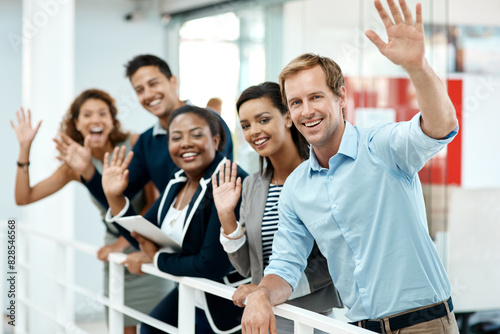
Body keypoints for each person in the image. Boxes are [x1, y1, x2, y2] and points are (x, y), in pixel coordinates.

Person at [241, 1, 460, 333]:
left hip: (424, 323)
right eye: (296, 102)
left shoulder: (382, 147)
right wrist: (260, 295)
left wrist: (417, 67)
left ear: (341, 95)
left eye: (316, 97)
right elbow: (285, 269)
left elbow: (440, 127)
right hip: (357, 327)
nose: (307, 111)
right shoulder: (297, 187)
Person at [10, 89, 171, 334]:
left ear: (112, 120)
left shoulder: (136, 144)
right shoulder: (74, 166)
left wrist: (120, 244)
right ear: (77, 123)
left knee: (160, 325)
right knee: (121, 325)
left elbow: (153, 203)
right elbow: (24, 197)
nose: (95, 119)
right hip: (117, 256)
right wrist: (24, 148)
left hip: (147, 245)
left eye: (102, 113)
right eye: (87, 114)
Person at [102, 105, 248, 334]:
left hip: (226, 304)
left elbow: (210, 264)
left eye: (196, 134)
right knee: (150, 329)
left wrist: (157, 258)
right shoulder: (178, 180)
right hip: (191, 292)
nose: (185, 143)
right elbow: (144, 234)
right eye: (176, 137)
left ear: (217, 140)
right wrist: (114, 197)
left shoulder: (230, 181)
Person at [211, 82, 343, 333]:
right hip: (263, 315)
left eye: (263, 120)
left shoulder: (321, 175)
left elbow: (333, 259)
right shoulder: (252, 185)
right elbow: (248, 268)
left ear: (287, 118)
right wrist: (226, 215)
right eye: (246, 125)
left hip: (310, 317)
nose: (254, 132)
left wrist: (266, 291)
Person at [71, 55, 233, 213]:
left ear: (173, 82)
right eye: (140, 90)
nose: (148, 94)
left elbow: (206, 188)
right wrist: (88, 171)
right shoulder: (146, 142)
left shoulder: (210, 122)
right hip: (171, 234)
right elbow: (114, 197)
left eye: (153, 84)